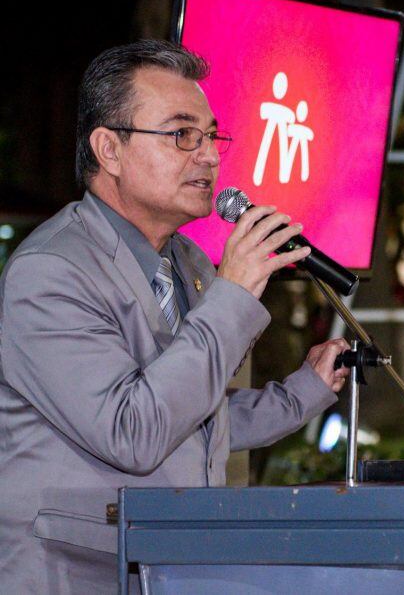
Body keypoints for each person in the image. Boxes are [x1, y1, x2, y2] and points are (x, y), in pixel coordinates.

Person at [0, 39, 349, 593]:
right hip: (83, 574)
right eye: (183, 134)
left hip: (174, 568)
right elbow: (134, 430)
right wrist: (233, 295)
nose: (209, 155)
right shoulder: (50, 272)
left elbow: (194, 415)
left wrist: (306, 389)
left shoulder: (186, 261)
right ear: (108, 149)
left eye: (212, 136)